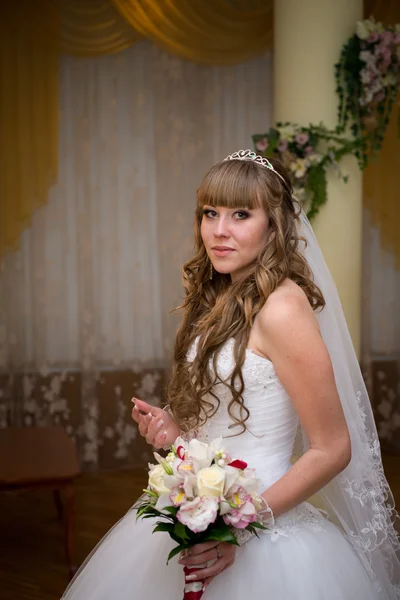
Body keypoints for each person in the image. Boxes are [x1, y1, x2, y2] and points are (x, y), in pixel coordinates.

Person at [62, 150, 400, 599]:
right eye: (210, 213)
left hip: (263, 527)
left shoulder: (282, 307)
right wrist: (174, 432)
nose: (219, 230)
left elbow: (333, 448)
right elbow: (224, 421)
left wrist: (238, 529)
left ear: (273, 225)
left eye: (241, 214)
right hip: (204, 511)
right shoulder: (221, 295)